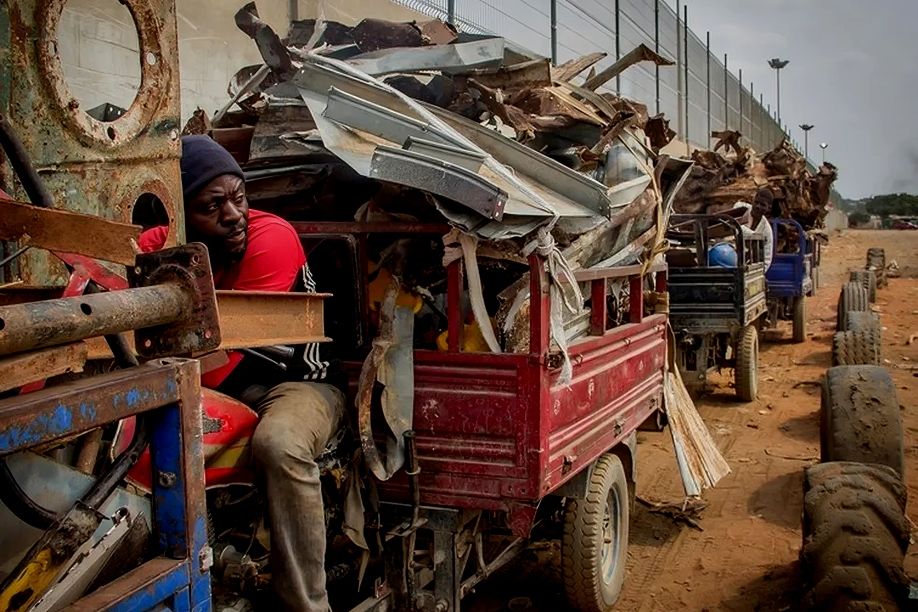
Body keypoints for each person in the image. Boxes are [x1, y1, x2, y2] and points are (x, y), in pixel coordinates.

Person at [139, 135, 340, 612]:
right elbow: (130, 253)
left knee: (279, 444)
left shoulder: (271, 238)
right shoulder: (174, 245)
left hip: (296, 384)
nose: (234, 215)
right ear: (184, 217)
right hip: (215, 377)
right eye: (213, 205)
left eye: (239, 197)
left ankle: (307, 604)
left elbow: (219, 367)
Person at [733, 187, 775, 270]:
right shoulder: (741, 209)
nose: (758, 206)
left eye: (762, 205)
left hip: (747, 267)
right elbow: (735, 227)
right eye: (756, 202)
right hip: (727, 254)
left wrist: (756, 274)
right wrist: (753, 235)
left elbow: (767, 259)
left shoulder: (766, 230)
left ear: (769, 208)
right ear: (753, 200)